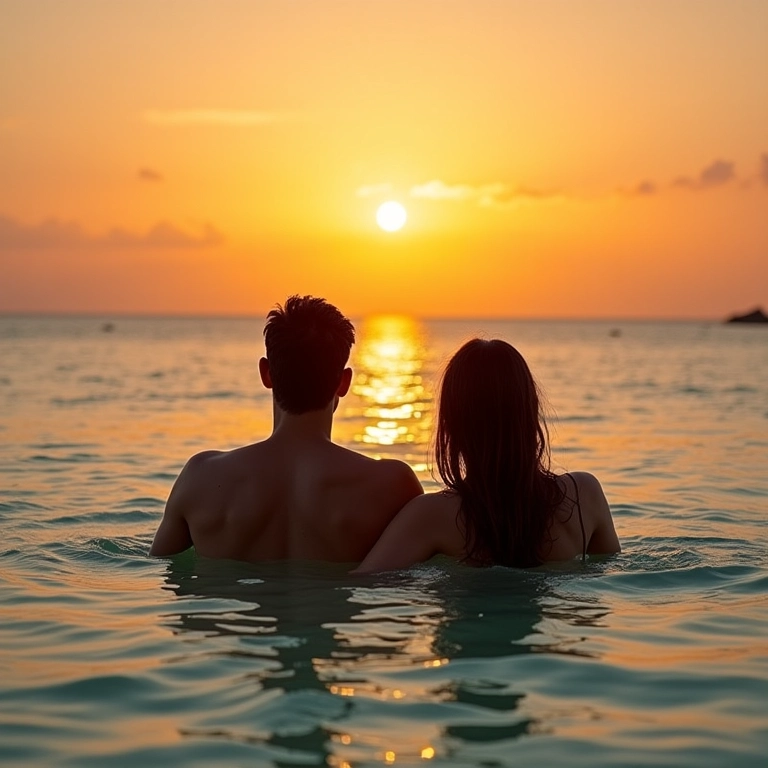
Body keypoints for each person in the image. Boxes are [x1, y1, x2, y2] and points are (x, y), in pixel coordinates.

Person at [149, 295, 423, 563]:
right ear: (344, 381)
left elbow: (155, 571)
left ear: (266, 373)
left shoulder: (200, 477)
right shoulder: (392, 484)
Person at [355, 338, 620, 573]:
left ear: (451, 425)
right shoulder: (583, 495)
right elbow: (612, 580)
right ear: (530, 413)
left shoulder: (432, 515)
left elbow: (363, 586)